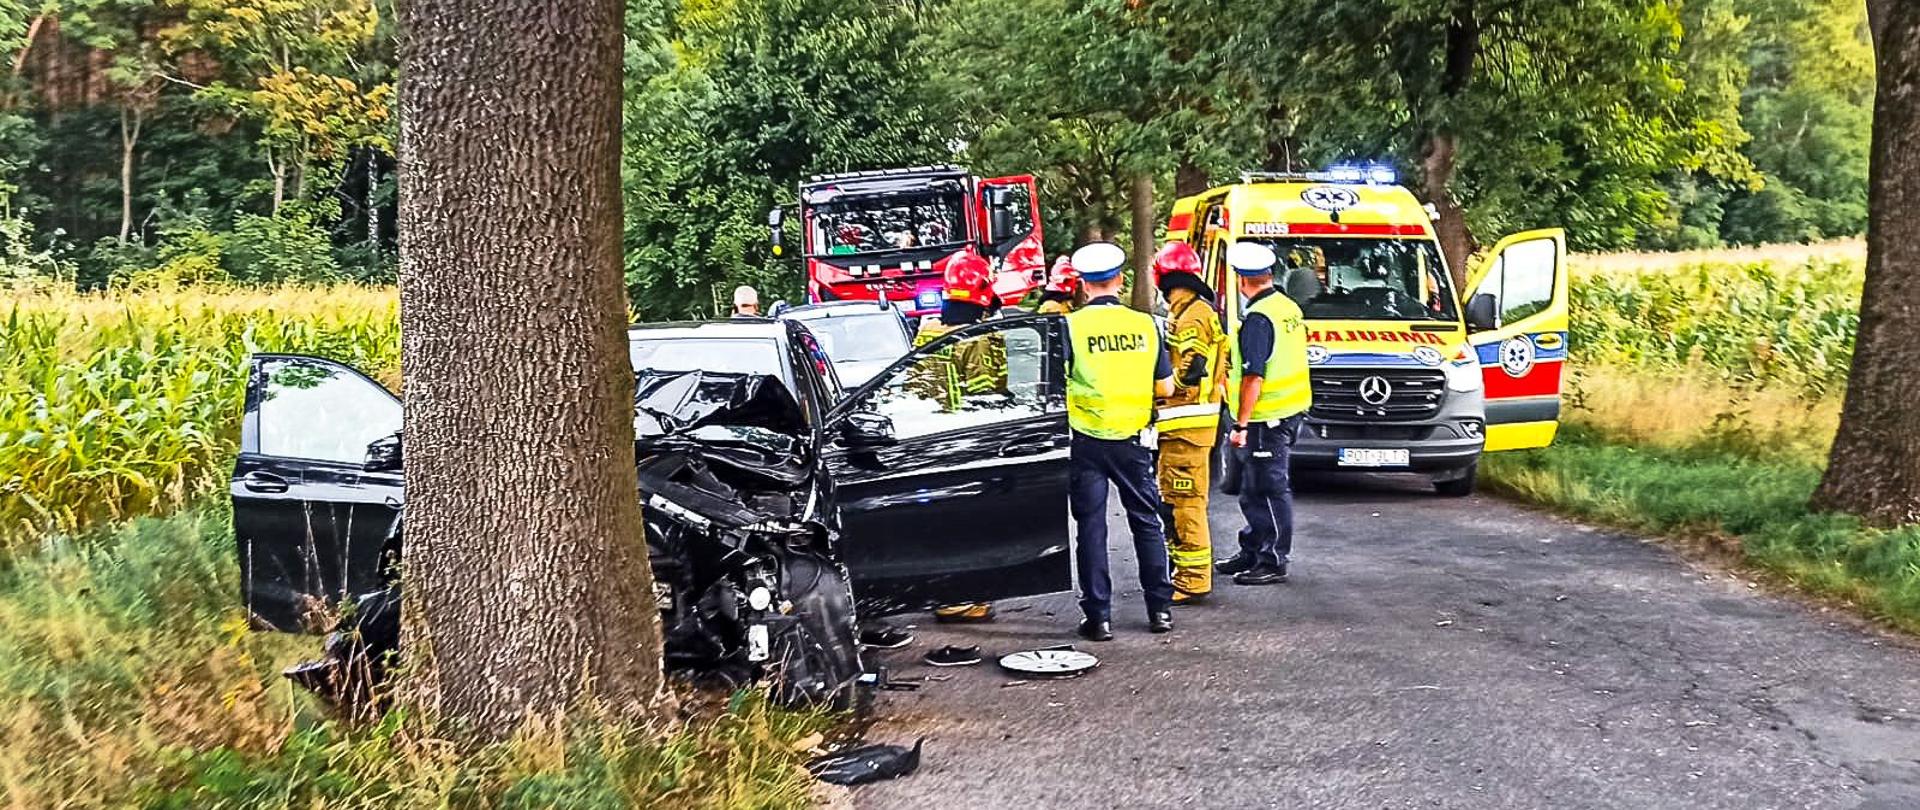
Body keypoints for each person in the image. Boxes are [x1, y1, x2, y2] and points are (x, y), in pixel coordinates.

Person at [1063, 241, 1177, 640]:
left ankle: (1099, 618)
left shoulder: (1071, 326)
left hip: (1087, 439)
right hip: (1134, 440)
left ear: (1082, 285)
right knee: (1146, 521)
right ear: (1121, 280)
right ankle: (1160, 610)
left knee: (1091, 528)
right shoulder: (1147, 325)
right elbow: (1165, 387)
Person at [913, 251, 1008, 624]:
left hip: (927, 438)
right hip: (967, 442)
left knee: (943, 521)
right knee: (973, 522)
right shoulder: (979, 338)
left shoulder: (927, 332)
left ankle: (945, 594)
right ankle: (963, 601)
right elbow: (989, 395)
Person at [1214, 242, 1312, 586]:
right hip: (1289, 410)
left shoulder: (1258, 319)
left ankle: (1272, 559)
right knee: (1252, 488)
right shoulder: (1288, 307)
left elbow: (1255, 376)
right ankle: (1252, 548)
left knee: (1268, 488)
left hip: (1264, 417)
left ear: (1242, 280)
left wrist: (1240, 423)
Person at [1150, 242, 1227, 604]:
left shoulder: (1193, 316)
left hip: (1187, 426)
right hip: (1185, 428)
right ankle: (1185, 572)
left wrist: (1163, 392)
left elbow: (1192, 369)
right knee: (1177, 501)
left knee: (1185, 504)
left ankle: (1193, 579)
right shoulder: (1191, 310)